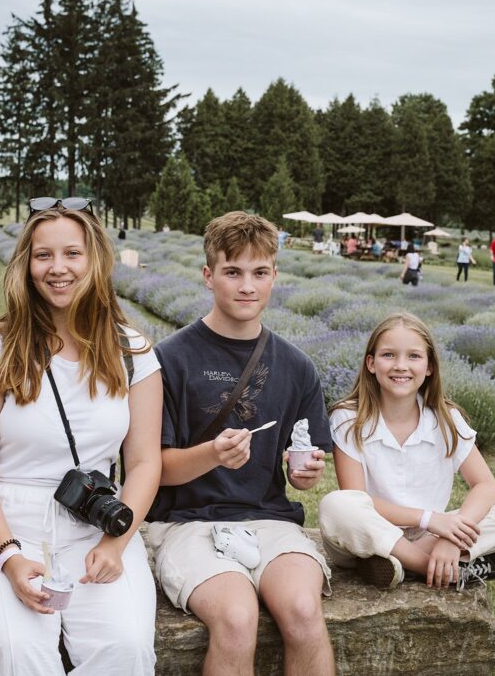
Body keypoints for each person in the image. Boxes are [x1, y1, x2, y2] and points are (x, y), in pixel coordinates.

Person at [0, 198, 163, 675]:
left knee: (125, 649)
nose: (57, 268)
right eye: (43, 255)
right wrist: (9, 557)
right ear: (26, 264)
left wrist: (116, 545)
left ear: (96, 260)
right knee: (13, 652)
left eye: (72, 254)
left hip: (94, 523)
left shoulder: (133, 352)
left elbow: (145, 463)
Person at [147, 211, 336, 676]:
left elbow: (300, 471)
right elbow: (153, 470)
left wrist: (303, 473)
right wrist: (212, 454)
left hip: (269, 520)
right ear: (209, 276)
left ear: (275, 276)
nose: (246, 286)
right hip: (185, 523)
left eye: (259, 273)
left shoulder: (297, 367)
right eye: (232, 272)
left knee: (304, 611)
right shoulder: (169, 359)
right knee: (236, 617)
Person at [319, 312, 495, 590]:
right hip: (366, 535)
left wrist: (450, 538)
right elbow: (358, 498)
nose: (401, 366)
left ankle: (403, 564)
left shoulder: (446, 419)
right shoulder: (349, 418)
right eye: (389, 355)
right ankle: (438, 570)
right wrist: (430, 519)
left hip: (431, 536)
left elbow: (485, 485)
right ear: (371, 364)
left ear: (430, 366)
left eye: (414, 356)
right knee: (337, 505)